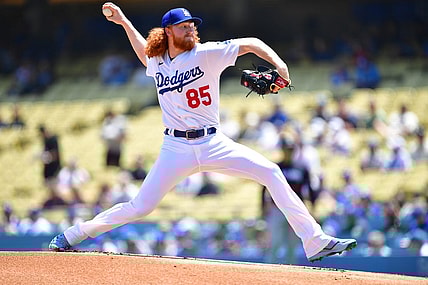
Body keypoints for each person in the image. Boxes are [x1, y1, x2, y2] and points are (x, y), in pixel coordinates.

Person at [49, 3, 356, 262]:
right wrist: (124, 22)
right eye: (183, 27)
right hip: (175, 148)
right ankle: (73, 234)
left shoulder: (207, 53)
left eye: (192, 26)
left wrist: (280, 64)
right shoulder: (158, 63)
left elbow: (250, 43)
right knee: (140, 206)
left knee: (271, 172)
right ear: (169, 32)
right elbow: (144, 52)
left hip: (213, 142)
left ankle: (314, 241)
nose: (190, 30)